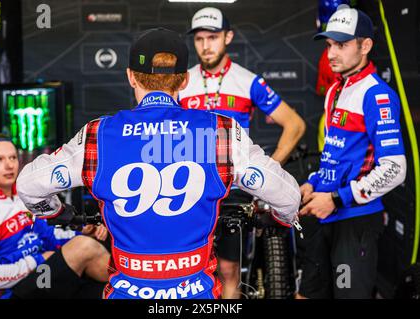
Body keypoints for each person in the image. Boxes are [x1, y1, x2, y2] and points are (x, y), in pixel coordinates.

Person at [16, 28, 301, 299]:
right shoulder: (220, 132)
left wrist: (58, 213)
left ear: (130, 77)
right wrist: (277, 219)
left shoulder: (97, 135)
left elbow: (28, 186)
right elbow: (288, 197)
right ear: (184, 80)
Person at [179, 7, 306, 299]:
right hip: (189, 187)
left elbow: (295, 125)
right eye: (199, 39)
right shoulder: (181, 82)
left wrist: (268, 170)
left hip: (233, 190)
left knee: (228, 272)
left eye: (213, 37)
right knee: (189, 267)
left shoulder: (248, 81)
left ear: (228, 37)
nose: (205, 45)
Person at [297, 5, 407, 299]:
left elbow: (395, 168)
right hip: (323, 214)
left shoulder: (377, 95)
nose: (331, 53)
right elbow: (336, 154)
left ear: (365, 45)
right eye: (330, 44)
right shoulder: (336, 89)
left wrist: (336, 197)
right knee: (306, 295)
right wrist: (314, 182)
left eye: (342, 45)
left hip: (355, 220)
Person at [0, 134, 111, 299]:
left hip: (42, 276)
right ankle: (131, 284)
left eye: (13, 157)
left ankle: (131, 289)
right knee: (83, 247)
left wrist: (82, 232)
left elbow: (49, 235)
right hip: (13, 292)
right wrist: (37, 260)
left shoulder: (24, 196)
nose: (9, 165)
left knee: (99, 291)